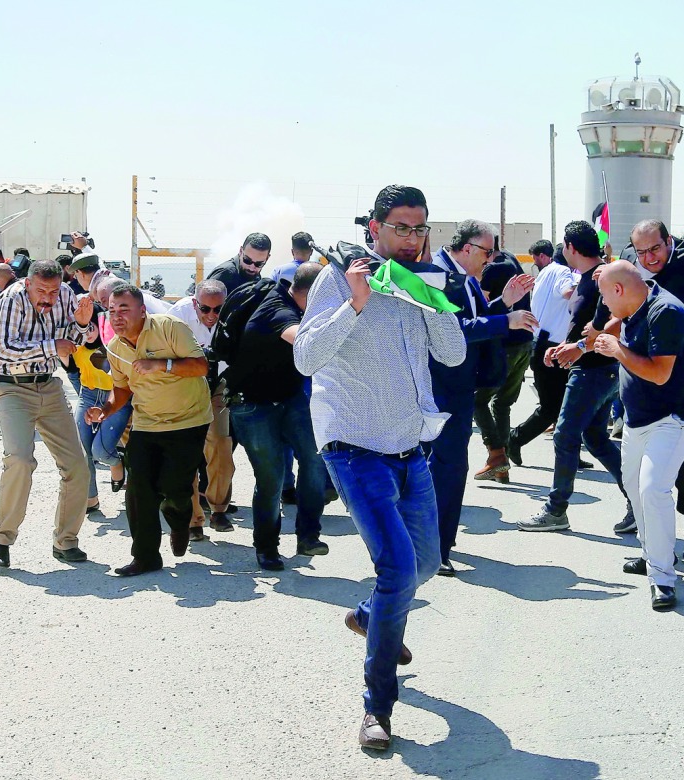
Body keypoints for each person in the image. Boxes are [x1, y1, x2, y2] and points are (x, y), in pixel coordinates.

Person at [294, 185, 465, 750]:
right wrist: (356, 302)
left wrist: (433, 299)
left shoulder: (422, 282)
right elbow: (306, 357)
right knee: (397, 569)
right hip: (353, 445)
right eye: (401, 228)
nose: (413, 239)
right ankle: (377, 708)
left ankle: (371, 618)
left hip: (410, 446)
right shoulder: (338, 279)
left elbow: (453, 354)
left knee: (427, 562)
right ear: (375, 228)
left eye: (420, 229)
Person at [594, 262, 684, 612]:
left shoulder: (665, 311)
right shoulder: (634, 305)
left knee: (652, 488)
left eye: (604, 296)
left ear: (619, 290)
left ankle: (662, 579)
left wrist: (617, 350)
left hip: (674, 419)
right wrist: (585, 345)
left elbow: (659, 374)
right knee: (634, 487)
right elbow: (608, 328)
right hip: (638, 419)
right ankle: (653, 553)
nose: (604, 305)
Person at [613, 220, 684, 559]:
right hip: (655, 371)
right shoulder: (633, 260)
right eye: (641, 252)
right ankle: (653, 542)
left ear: (669, 241)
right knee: (645, 456)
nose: (649, 258)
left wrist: (622, 279)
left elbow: (642, 297)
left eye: (655, 249)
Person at [427, 220, 535, 573]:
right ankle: (436, 548)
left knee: (444, 467)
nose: (491, 259)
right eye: (488, 252)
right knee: (448, 468)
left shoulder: (463, 276)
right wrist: (507, 320)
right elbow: (454, 331)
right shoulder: (441, 277)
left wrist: (505, 303)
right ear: (467, 247)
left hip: (457, 386)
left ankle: (437, 541)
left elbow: (476, 318)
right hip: (444, 388)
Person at [88, 285, 213, 576]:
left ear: (142, 311)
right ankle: (145, 557)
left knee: (176, 489)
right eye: (111, 310)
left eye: (124, 309)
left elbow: (200, 367)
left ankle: (179, 520)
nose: (117, 316)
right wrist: (104, 411)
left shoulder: (169, 327)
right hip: (146, 423)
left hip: (188, 420)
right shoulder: (115, 347)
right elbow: (121, 389)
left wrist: (161, 364)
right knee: (138, 488)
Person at [518, 220, 634, 533]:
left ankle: (556, 510)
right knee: (594, 437)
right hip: (594, 369)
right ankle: (638, 501)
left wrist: (580, 348)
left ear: (570, 247)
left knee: (565, 435)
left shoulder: (601, 278)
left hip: (596, 370)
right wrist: (563, 348)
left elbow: (615, 325)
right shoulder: (587, 278)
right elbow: (584, 327)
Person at [0, 259, 95, 569]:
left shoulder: (66, 296)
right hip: (11, 386)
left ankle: (66, 541)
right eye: (41, 291)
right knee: (20, 460)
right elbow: (5, 349)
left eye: (53, 291)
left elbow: (73, 344)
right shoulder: (12, 299)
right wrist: (52, 346)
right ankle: (1, 538)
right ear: (28, 283)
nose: (48, 297)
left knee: (78, 465)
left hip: (48, 385)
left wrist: (82, 325)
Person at [226, 264, 331, 569]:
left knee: (315, 460)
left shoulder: (295, 302)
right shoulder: (279, 310)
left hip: (289, 398)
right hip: (253, 405)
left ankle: (308, 536)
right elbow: (302, 341)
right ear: (314, 293)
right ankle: (267, 547)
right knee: (271, 477)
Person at [168, 280, 236, 534]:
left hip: (219, 383)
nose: (211, 315)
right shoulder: (177, 316)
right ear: (194, 303)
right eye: (205, 309)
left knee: (220, 445)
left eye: (218, 309)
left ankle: (218, 509)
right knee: (186, 452)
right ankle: (193, 518)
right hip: (185, 384)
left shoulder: (234, 315)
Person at [508, 242, 577, 464]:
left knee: (566, 407)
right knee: (552, 409)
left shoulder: (546, 271)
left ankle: (570, 454)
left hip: (543, 343)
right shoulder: (565, 273)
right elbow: (568, 292)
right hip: (550, 348)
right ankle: (515, 438)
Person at [473, 248, 534, 483]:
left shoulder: (493, 269)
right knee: (502, 403)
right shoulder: (512, 261)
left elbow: (481, 306)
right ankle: (501, 466)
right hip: (524, 343)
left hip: (505, 345)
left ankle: (497, 455)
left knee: (477, 400)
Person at [70, 322, 131, 515]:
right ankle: (90, 498)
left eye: (91, 327)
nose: (86, 332)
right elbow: (72, 373)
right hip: (88, 395)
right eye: (82, 328)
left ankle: (117, 462)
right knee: (82, 450)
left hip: (117, 396)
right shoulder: (76, 344)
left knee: (101, 452)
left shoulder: (117, 343)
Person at [206, 232, 271, 294]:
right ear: (240, 251)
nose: (251, 268)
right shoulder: (226, 273)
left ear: (267, 258)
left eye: (259, 264)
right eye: (247, 260)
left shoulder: (255, 276)